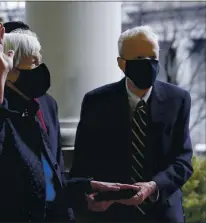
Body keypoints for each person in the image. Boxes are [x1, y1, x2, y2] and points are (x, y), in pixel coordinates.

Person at [0, 22, 135, 222]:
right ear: (10, 70)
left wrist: (86, 187)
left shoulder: (31, 110)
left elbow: (43, 179)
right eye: (33, 63)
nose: (41, 68)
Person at [70, 25, 193, 223]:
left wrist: (153, 186)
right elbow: (83, 162)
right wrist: (88, 196)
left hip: (163, 210)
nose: (147, 64)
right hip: (111, 211)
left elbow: (183, 159)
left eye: (152, 58)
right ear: (121, 64)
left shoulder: (178, 99)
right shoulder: (96, 101)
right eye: (138, 59)